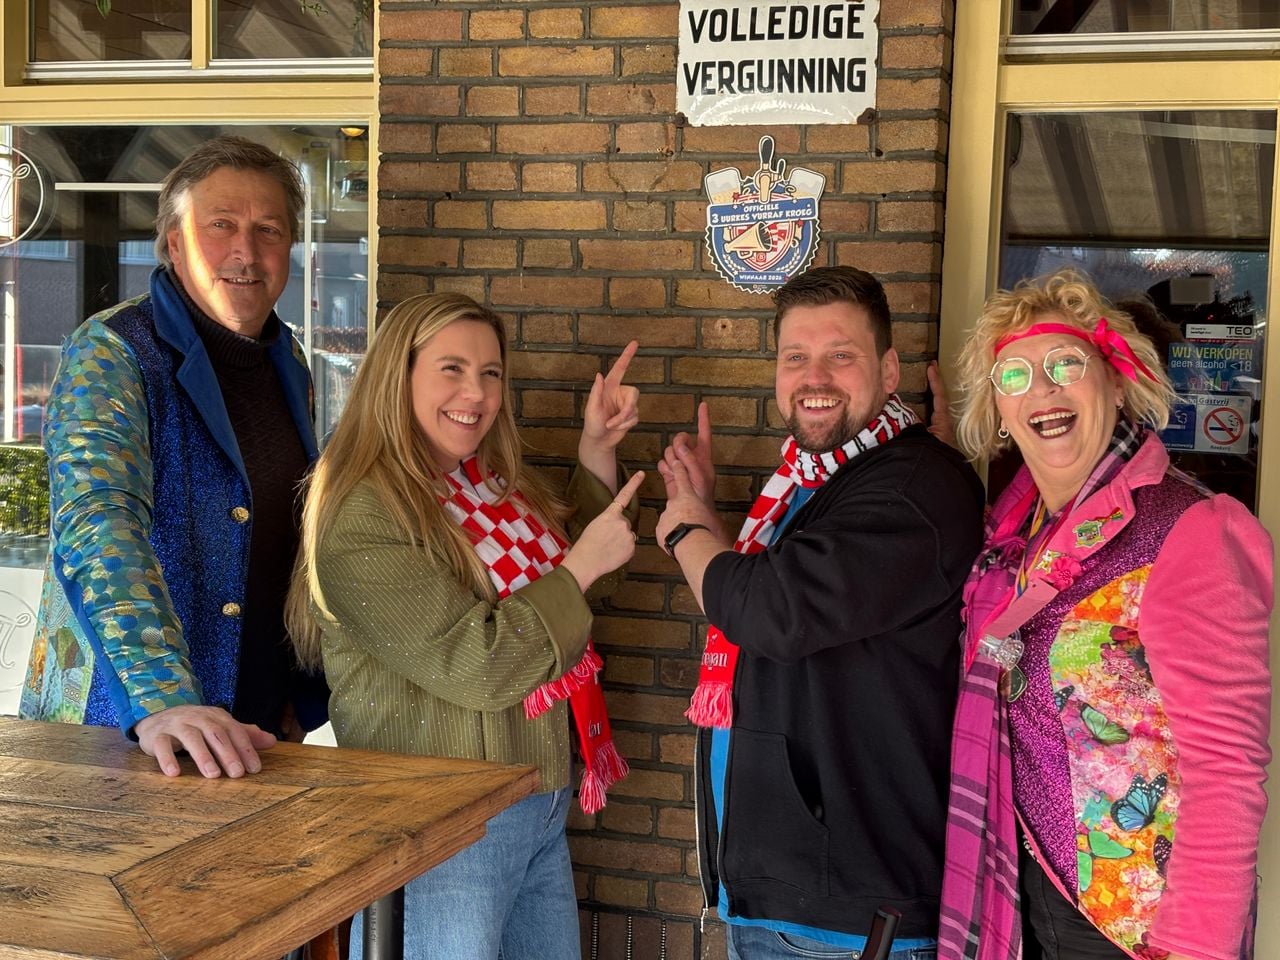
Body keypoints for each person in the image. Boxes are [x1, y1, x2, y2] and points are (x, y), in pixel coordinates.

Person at [285, 292, 642, 960]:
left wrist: (596, 452)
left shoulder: (485, 484)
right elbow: (480, 664)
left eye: (490, 373)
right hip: (440, 824)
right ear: (399, 374)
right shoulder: (364, 513)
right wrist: (580, 568)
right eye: (451, 368)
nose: (475, 393)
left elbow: (584, 590)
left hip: (533, 803)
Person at [939, 269, 1272, 960]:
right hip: (1024, 898)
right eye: (1015, 375)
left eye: (1066, 364)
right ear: (1000, 410)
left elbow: (1228, 770)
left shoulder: (1192, 530)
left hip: (1138, 933)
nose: (1044, 389)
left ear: (1116, 383)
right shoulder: (1012, 539)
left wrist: (1194, 949)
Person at [656, 265, 986, 960]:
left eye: (842, 356)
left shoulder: (913, 487)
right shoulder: (808, 481)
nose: (816, 378)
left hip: (850, 919)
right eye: (795, 358)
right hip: (795, 898)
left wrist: (687, 530)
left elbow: (773, 611)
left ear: (889, 370)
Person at [20, 135, 327, 778]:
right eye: (221, 226)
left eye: (268, 229)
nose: (246, 251)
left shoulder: (287, 358)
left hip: (251, 729)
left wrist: (302, 687)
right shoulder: (113, 349)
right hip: (127, 732)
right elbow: (97, 523)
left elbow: (290, 528)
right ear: (174, 242)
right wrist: (162, 697)